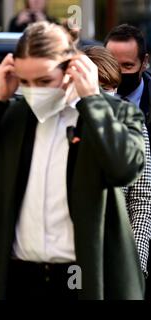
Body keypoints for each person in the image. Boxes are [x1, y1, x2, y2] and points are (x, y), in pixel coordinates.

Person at [0, 21, 146, 299]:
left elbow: (123, 168)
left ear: (72, 68)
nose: (33, 90)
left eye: (43, 81)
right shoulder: (9, 115)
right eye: (24, 81)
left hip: (85, 278)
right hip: (17, 278)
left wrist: (92, 101)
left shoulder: (114, 113)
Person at [83, 45, 151, 296]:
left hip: (115, 254)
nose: (102, 94)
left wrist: (136, 263)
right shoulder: (61, 124)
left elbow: (141, 200)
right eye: (94, 85)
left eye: (108, 86)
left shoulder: (130, 123)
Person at [105, 24, 151, 136]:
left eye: (127, 65)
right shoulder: (91, 96)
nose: (118, 72)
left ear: (144, 62)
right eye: (112, 64)